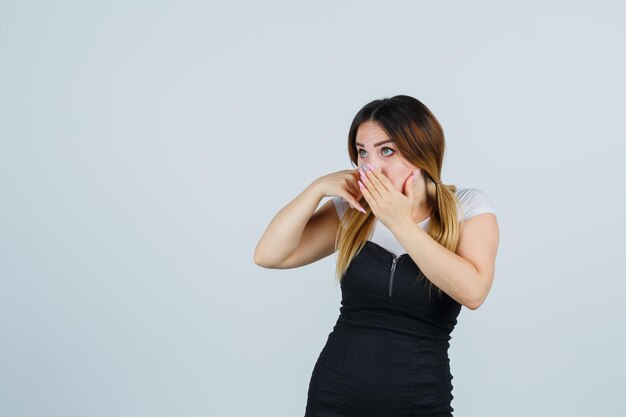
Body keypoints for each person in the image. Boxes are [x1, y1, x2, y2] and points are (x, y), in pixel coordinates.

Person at [253, 95, 500, 417]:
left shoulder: (467, 208)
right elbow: (269, 256)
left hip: (421, 399)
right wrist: (315, 190)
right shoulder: (353, 209)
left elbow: (473, 292)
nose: (371, 166)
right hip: (335, 395)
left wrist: (398, 221)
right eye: (361, 152)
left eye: (387, 150)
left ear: (422, 150)